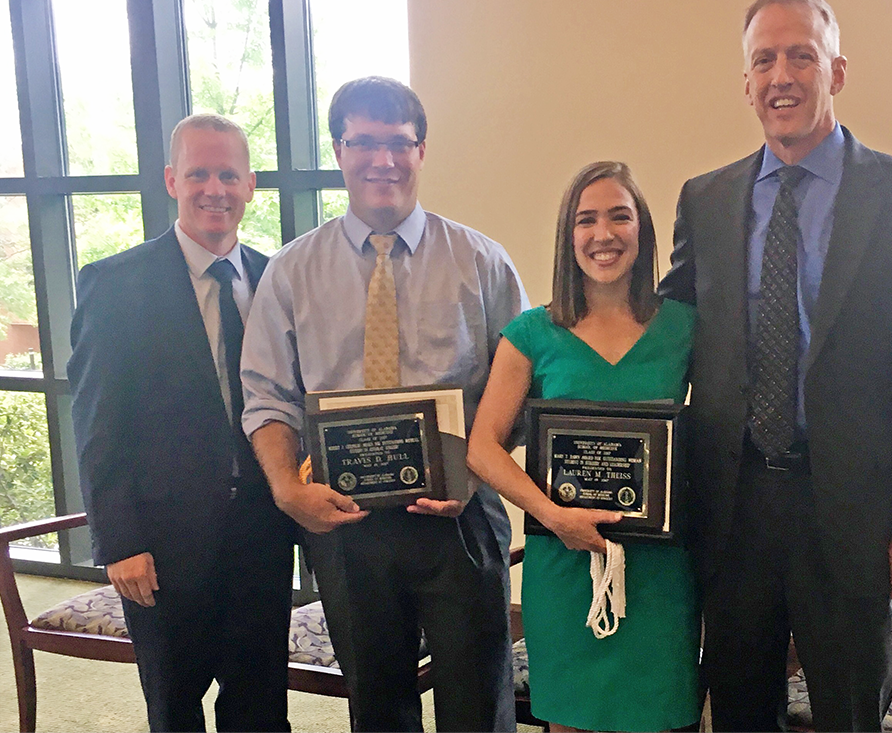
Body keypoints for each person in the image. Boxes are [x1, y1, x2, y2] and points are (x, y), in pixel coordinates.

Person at [658, 0, 892, 731]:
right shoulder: (706, 199)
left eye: (802, 55)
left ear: (838, 70)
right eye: (763, 60)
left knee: (851, 710)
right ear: (745, 82)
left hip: (852, 509)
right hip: (733, 508)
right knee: (736, 706)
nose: (781, 76)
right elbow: (664, 331)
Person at [241, 76, 529, 733]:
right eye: (363, 143)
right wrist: (287, 489)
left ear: (422, 150)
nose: (382, 160)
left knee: (478, 703)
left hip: (461, 516)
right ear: (339, 151)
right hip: (343, 524)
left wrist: (475, 472)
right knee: (377, 703)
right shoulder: (291, 272)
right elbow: (266, 395)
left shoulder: (482, 262)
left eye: (398, 143)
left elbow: (519, 393)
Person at [67, 114, 295, 732]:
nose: (213, 189)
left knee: (260, 705)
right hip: (162, 546)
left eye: (228, 174)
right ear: (172, 180)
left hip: (262, 537)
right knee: (174, 705)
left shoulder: (278, 279)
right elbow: (96, 422)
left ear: (250, 185)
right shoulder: (114, 285)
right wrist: (119, 541)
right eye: (198, 174)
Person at [469, 161, 702, 732]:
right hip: (565, 565)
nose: (604, 235)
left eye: (620, 217)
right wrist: (554, 515)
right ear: (567, 237)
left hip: (661, 571)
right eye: (586, 220)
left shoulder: (687, 327)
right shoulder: (530, 332)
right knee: (570, 721)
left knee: (657, 717)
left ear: (642, 231)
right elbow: (482, 448)